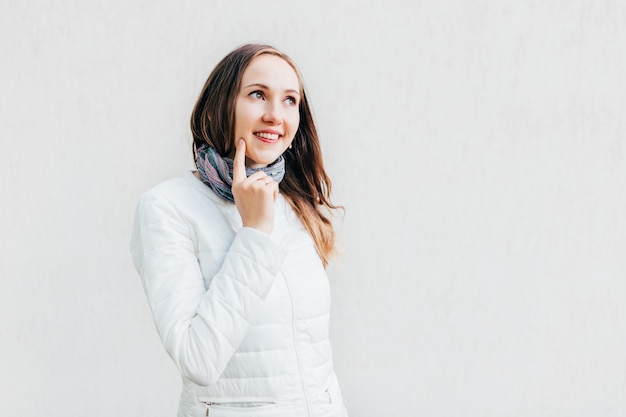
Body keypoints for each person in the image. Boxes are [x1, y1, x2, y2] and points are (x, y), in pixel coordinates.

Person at [130, 43, 348, 417]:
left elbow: (315, 364)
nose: (274, 115)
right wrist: (255, 236)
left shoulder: (294, 201)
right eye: (258, 94)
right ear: (222, 103)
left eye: (290, 100)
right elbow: (198, 359)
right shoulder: (167, 207)